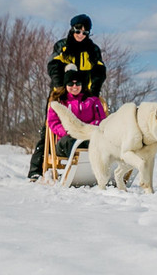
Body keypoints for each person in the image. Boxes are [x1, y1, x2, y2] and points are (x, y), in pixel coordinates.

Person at [27, 14, 107, 180]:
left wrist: (93, 92)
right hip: (62, 94)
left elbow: (99, 71)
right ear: (72, 29)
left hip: (85, 96)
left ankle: (93, 166)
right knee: (48, 130)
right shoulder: (62, 46)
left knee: (92, 128)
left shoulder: (93, 50)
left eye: (85, 32)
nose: (81, 35)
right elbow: (54, 66)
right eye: (78, 30)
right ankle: (36, 169)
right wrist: (60, 88)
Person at [47, 66, 106, 157]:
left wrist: (85, 130)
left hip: (88, 136)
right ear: (66, 85)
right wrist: (68, 131)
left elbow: (101, 119)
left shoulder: (92, 101)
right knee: (70, 142)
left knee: (99, 140)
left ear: (82, 85)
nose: (74, 86)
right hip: (66, 138)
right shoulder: (59, 102)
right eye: (70, 83)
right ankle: (74, 167)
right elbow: (53, 123)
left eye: (77, 83)